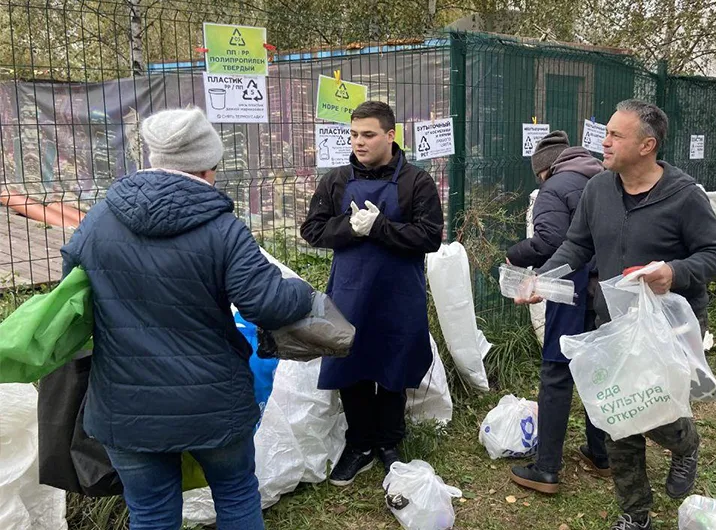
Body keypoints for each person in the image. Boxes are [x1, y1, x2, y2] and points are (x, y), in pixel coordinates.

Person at [54, 107, 315, 529]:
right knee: (235, 495)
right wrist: (302, 290)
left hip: (126, 405)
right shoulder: (222, 228)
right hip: (212, 403)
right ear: (209, 166)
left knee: (151, 512)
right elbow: (268, 305)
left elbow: (73, 293)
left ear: (153, 159)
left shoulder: (100, 218)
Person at [516, 100, 716, 530]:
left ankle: (685, 444)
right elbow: (577, 245)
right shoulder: (599, 189)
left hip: (668, 324)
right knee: (619, 418)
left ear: (647, 145)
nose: (604, 141)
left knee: (654, 412)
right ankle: (635, 514)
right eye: (606, 132)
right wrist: (542, 278)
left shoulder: (685, 196)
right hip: (614, 321)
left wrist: (674, 272)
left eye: (616, 135)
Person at [300, 101, 444, 485]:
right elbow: (312, 230)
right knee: (351, 363)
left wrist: (381, 228)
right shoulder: (336, 181)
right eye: (353, 134)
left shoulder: (416, 182)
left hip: (399, 293)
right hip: (350, 292)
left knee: (395, 362)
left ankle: (390, 442)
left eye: (368, 135)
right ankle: (360, 443)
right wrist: (351, 228)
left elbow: (430, 236)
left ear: (390, 136)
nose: (358, 142)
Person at [505, 130, 608, 494]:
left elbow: (551, 241)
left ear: (544, 169)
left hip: (572, 289)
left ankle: (546, 467)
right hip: (607, 289)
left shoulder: (554, 188)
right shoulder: (602, 178)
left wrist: (514, 255)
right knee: (597, 371)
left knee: (556, 373)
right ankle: (602, 454)